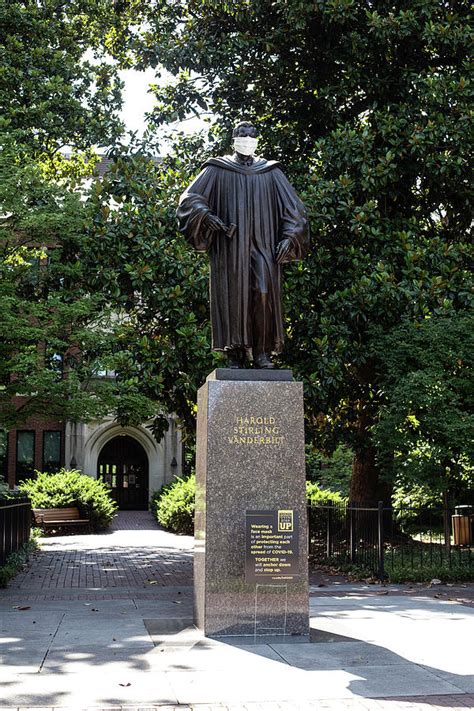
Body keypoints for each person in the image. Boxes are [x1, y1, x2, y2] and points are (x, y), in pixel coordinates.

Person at [177, 121, 309, 368]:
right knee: (233, 297)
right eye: (242, 136)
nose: (247, 141)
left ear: (257, 141)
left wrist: (290, 237)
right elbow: (189, 199)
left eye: (251, 137)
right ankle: (235, 355)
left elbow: (295, 210)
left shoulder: (271, 172)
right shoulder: (217, 169)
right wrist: (206, 215)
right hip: (230, 248)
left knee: (263, 294)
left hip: (265, 246)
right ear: (234, 140)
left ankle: (261, 352)